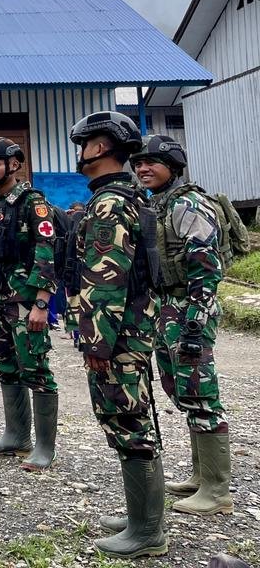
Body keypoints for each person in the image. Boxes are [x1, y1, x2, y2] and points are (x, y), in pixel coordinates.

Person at [67, 111, 166, 558]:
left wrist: (96, 342)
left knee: (128, 421)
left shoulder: (110, 203)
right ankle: (142, 518)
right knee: (133, 417)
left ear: (102, 147)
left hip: (117, 333)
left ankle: (147, 533)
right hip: (131, 329)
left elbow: (106, 279)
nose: (80, 153)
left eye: (85, 144)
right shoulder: (130, 196)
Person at [130, 134, 233, 518]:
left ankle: (217, 491)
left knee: (201, 393)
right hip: (166, 307)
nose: (143, 168)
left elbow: (206, 266)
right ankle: (200, 476)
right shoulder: (159, 203)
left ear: (173, 167)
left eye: (152, 162)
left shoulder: (189, 204)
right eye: (138, 163)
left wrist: (194, 321)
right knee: (181, 389)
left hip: (189, 308)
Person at [0, 138, 60, 471]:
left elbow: (47, 252)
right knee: (4, 365)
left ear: (14, 164)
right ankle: (16, 436)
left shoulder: (33, 203)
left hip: (24, 300)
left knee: (35, 367)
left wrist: (42, 303)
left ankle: (44, 447)